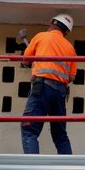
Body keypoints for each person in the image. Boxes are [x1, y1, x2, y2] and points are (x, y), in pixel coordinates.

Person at [21, 14, 77, 154]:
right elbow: (71, 76)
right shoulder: (70, 48)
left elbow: (26, 60)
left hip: (42, 88)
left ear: (52, 23)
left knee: (30, 130)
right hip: (60, 92)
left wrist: (34, 62)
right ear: (66, 31)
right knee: (60, 135)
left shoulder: (41, 36)